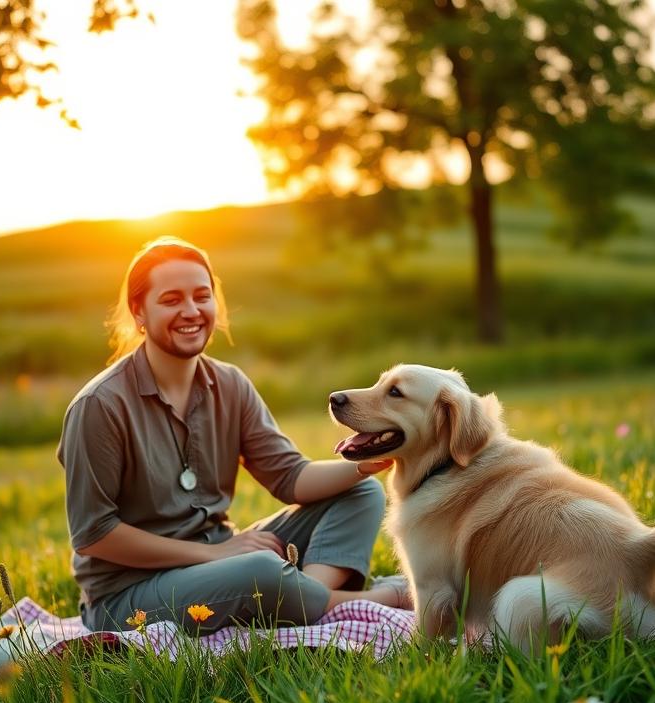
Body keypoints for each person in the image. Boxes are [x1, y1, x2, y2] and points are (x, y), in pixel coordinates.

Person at [58, 236, 408, 633]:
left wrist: (370, 464)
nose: (191, 311)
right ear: (139, 312)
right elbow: (94, 535)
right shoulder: (99, 405)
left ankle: (301, 597)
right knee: (260, 570)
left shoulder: (230, 384)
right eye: (171, 300)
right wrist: (219, 554)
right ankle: (363, 600)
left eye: (201, 296)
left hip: (222, 560)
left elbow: (290, 478)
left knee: (362, 493)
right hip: (127, 595)